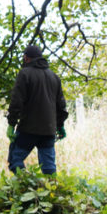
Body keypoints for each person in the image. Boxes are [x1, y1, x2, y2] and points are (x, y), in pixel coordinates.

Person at [6, 43, 68, 175]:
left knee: (15, 159)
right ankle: (52, 192)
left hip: (28, 129)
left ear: (27, 58)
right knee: (49, 167)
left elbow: (17, 102)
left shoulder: (25, 74)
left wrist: (11, 124)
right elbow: (61, 105)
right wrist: (60, 125)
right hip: (49, 130)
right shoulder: (54, 77)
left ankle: (26, 187)